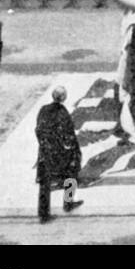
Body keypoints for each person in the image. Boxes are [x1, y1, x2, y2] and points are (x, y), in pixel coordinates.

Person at [35, 85, 83, 223]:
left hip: (46, 151)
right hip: (61, 152)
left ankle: (43, 213)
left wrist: (43, 144)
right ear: (64, 98)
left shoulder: (43, 110)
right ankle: (68, 203)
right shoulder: (63, 112)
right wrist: (74, 150)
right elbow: (69, 134)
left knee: (44, 182)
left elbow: (38, 129)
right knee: (71, 173)